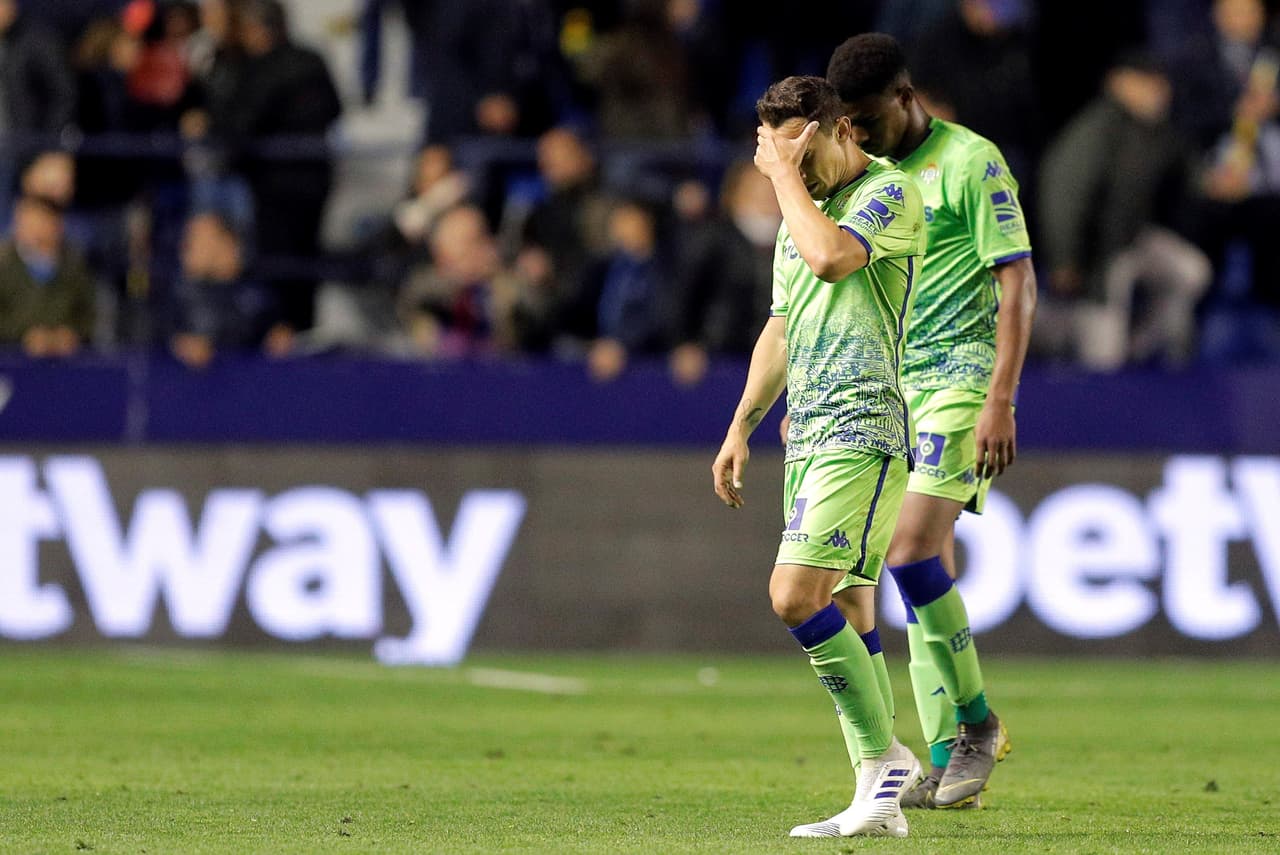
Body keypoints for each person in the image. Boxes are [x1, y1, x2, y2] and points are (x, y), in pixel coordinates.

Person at [824, 32, 1036, 810]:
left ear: (906, 99)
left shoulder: (971, 161)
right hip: (888, 384)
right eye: (844, 123)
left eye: (867, 119)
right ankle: (948, 759)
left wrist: (1000, 397)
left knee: (911, 553)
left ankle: (978, 723)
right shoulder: (866, 177)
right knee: (912, 577)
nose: (857, 134)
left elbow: (1016, 282)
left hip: (959, 375)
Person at [711, 75, 924, 838]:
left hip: (863, 430)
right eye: (780, 159)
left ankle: (886, 759)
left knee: (795, 595)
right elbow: (781, 327)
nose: (794, 176)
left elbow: (833, 260)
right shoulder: (796, 220)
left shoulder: (888, 194)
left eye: (805, 155)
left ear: (842, 129)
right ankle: (877, 795)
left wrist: (778, 180)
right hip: (809, 436)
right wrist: (740, 423)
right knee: (851, 610)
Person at [1037, 51, 1211, 370]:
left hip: (1133, 240)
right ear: (1120, 82)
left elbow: (1188, 176)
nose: (1159, 91)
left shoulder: (1156, 130)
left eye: (1160, 84)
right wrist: (1064, 259)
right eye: (1148, 83)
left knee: (1192, 272)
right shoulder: (1096, 128)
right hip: (1096, 255)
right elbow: (1062, 193)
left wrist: (1210, 183)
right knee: (1103, 359)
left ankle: (1139, 349)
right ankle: (1052, 335)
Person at [0, 195, 95, 356]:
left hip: (67, 364)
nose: (34, 226)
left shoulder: (74, 265)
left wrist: (70, 335)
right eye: (26, 219)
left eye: (40, 219)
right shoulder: (4, 265)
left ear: (56, 224)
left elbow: (89, 316)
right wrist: (25, 336)